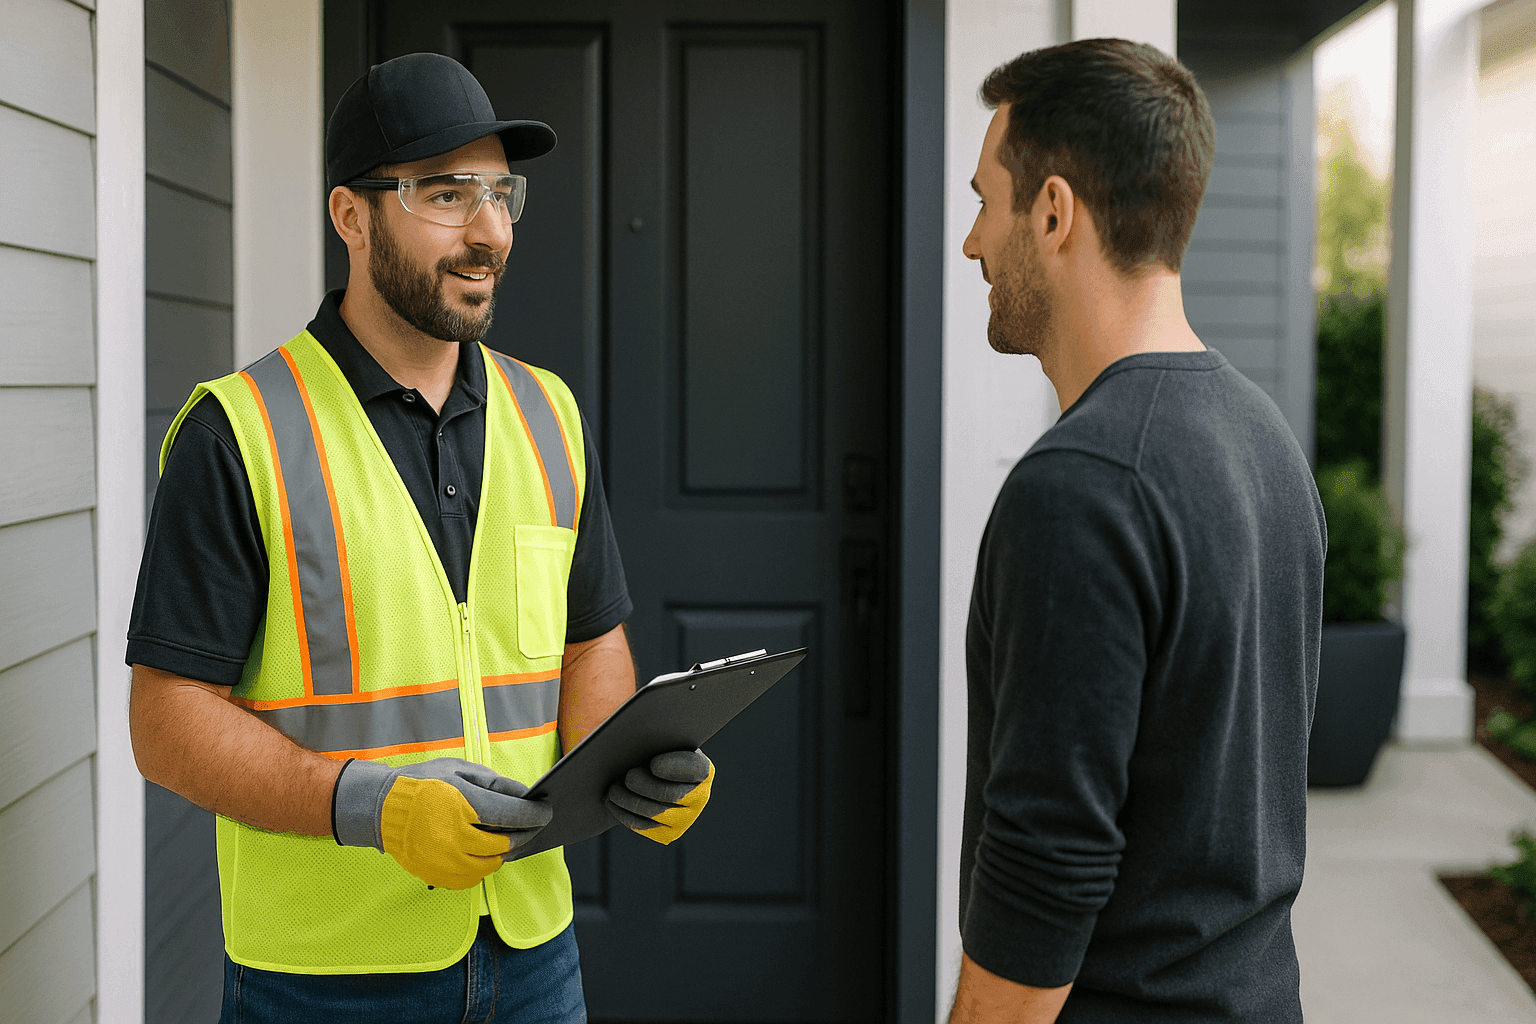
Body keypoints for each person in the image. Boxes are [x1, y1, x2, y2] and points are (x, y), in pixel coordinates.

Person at [127, 52, 714, 1024]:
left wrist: (635, 764)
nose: (490, 231)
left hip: (532, 954)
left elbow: (590, 649)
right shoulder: (240, 432)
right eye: (447, 193)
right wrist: (377, 807)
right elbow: (167, 722)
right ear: (352, 217)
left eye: (500, 192)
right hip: (324, 979)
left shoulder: (550, 415)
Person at [950, 39, 1324, 1024]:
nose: (972, 243)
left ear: (1056, 211)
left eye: (985, 199)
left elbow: (1045, 872)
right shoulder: (1267, 444)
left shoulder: (1080, 485)